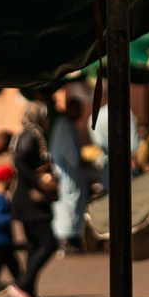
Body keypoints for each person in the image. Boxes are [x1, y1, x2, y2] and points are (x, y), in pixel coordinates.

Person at [1, 100, 59, 297]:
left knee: (35, 245)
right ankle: (23, 285)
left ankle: (29, 293)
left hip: (23, 198)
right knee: (48, 243)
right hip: (31, 199)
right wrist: (38, 181)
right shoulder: (31, 134)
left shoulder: (23, 133)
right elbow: (22, 161)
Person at [51, 93, 93, 246]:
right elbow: (73, 158)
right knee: (68, 212)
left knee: (72, 211)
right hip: (68, 179)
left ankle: (72, 237)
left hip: (72, 178)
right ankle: (68, 240)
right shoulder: (64, 127)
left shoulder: (68, 126)